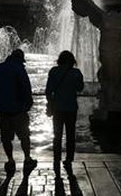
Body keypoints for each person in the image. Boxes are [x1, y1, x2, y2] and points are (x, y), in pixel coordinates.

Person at [71, 0, 121, 121]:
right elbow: (85, 4)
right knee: (111, 76)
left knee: (116, 76)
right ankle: (110, 102)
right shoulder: (111, 17)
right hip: (107, 50)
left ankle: (113, 100)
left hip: (115, 49)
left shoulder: (115, 17)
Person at [0, 49, 37, 175]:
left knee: (6, 137)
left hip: (1, 110)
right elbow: (26, 88)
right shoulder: (19, 69)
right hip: (17, 110)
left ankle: (10, 161)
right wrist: (28, 104)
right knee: (24, 136)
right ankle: (27, 159)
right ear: (20, 59)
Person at [45, 50, 84, 178]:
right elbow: (80, 88)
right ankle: (68, 160)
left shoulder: (54, 71)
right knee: (70, 135)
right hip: (71, 108)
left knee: (57, 135)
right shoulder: (76, 73)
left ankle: (56, 159)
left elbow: (48, 90)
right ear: (72, 61)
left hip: (57, 108)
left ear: (59, 60)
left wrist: (50, 102)